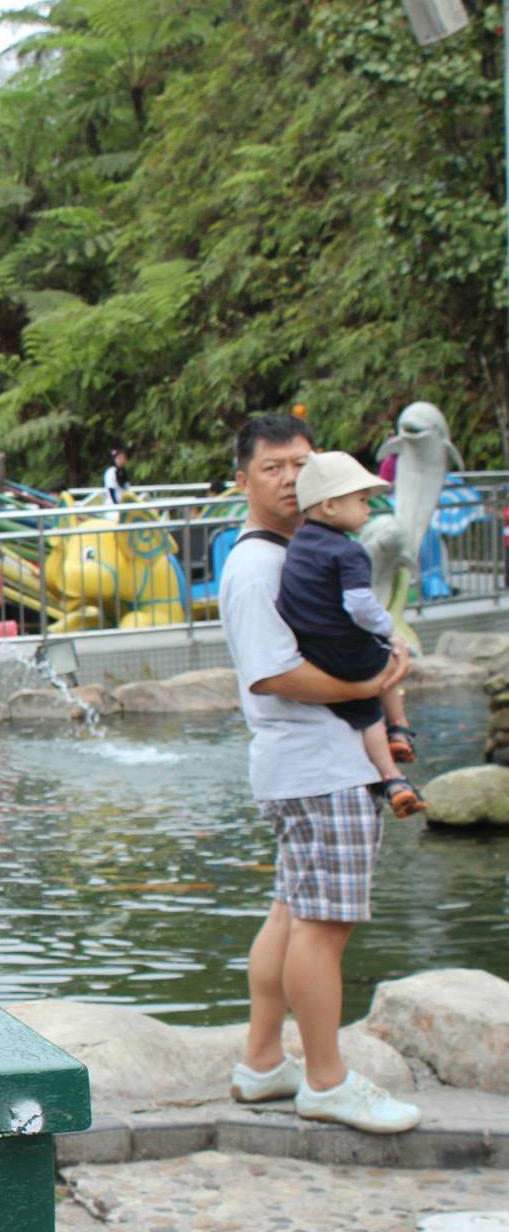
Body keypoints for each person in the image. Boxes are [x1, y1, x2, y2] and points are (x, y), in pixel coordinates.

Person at [219, 413, 420, 1135]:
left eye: (301, 464)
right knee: (322, 928)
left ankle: (263, 1062)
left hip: (307, 767)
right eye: (272, 467)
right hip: (318, 766)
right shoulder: (258, 566)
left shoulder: (299, 549)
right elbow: (272, 673)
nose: (290, 478)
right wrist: (373, 683)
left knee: (290, 913)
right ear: (242, 481)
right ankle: (327, 1081)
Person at [275, 453, 424, 815]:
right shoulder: (349, 551)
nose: (368, 510)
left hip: (312, 650)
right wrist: (388, 627)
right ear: (329, 505)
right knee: (389, 661)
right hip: (347, 651)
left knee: (364, 711)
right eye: (361, 501)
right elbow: (359, 605)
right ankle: (399, 737)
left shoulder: (298, 544)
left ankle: (393, 777)